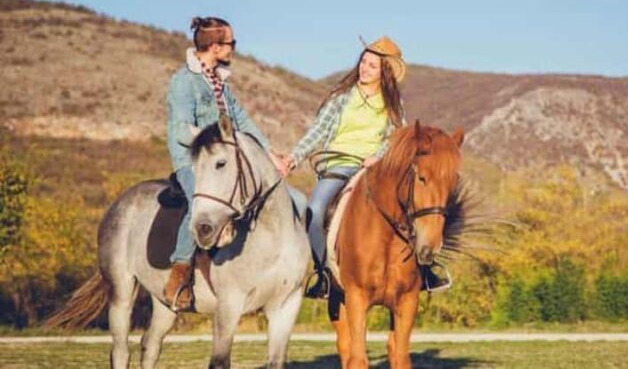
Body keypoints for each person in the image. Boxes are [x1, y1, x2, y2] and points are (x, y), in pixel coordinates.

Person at [284, 36, 449, 299]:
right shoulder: (341, 98)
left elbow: (397, 137)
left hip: (375, 169)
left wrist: (379, 156)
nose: (364, 68)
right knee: (314, 210)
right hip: (337, 166)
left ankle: (425, 270)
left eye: (372, 65)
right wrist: (293, 157)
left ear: (384, 71)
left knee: (412, 206)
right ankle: (323, 273)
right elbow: (317, 131)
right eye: (363, 62)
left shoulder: (393, 104)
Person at [164, 17, 288, 311]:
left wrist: (271, 155)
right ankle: (180, 270)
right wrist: (214, 141)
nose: (234, 48)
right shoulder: (183, 81)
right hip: (192, 160)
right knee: (201, 205)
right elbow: (180, 129)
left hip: (223, 160)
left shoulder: (220, 81)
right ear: (216, 46)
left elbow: (242, 121)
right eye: (231, 43)